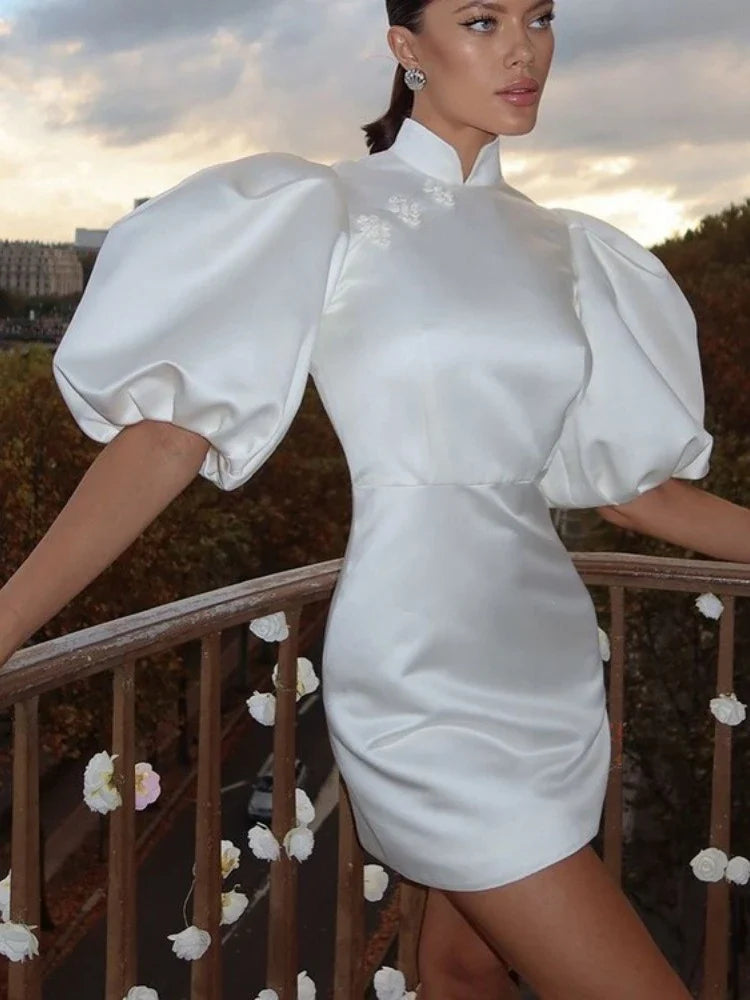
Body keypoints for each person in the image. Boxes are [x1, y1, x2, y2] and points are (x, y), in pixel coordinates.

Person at [0, 0, 747, 996]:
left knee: (463, 966)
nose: (525, 46)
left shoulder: (571, 250)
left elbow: (640, 494)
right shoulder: (324, 211)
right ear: (406, 49)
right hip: (421, 670)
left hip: (552, 663)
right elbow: (169, 437)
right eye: (482, 19)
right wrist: (4, 620)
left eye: (540, 16)